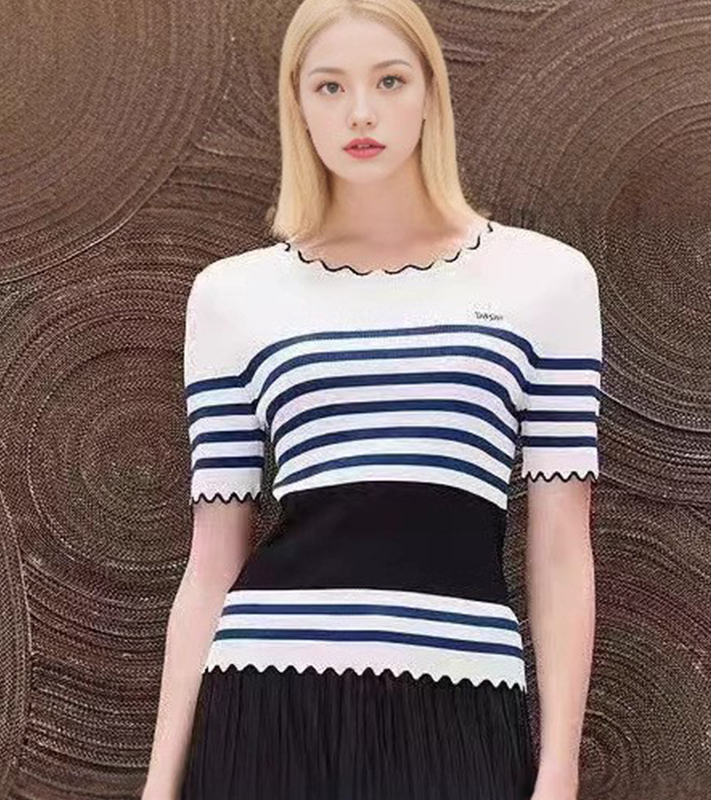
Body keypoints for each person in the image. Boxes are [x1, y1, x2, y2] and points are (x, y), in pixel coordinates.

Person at [142, 0, 602, 798]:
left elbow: (562, 545)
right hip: (267, 703)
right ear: (297, 105)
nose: (361, 112)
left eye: (389, 81)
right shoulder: (233, 296)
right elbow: (212, 557)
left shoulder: (546, 282)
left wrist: (558, 769)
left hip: (462, 706)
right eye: (330, 86)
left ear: (430, 94)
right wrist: (160, 784)